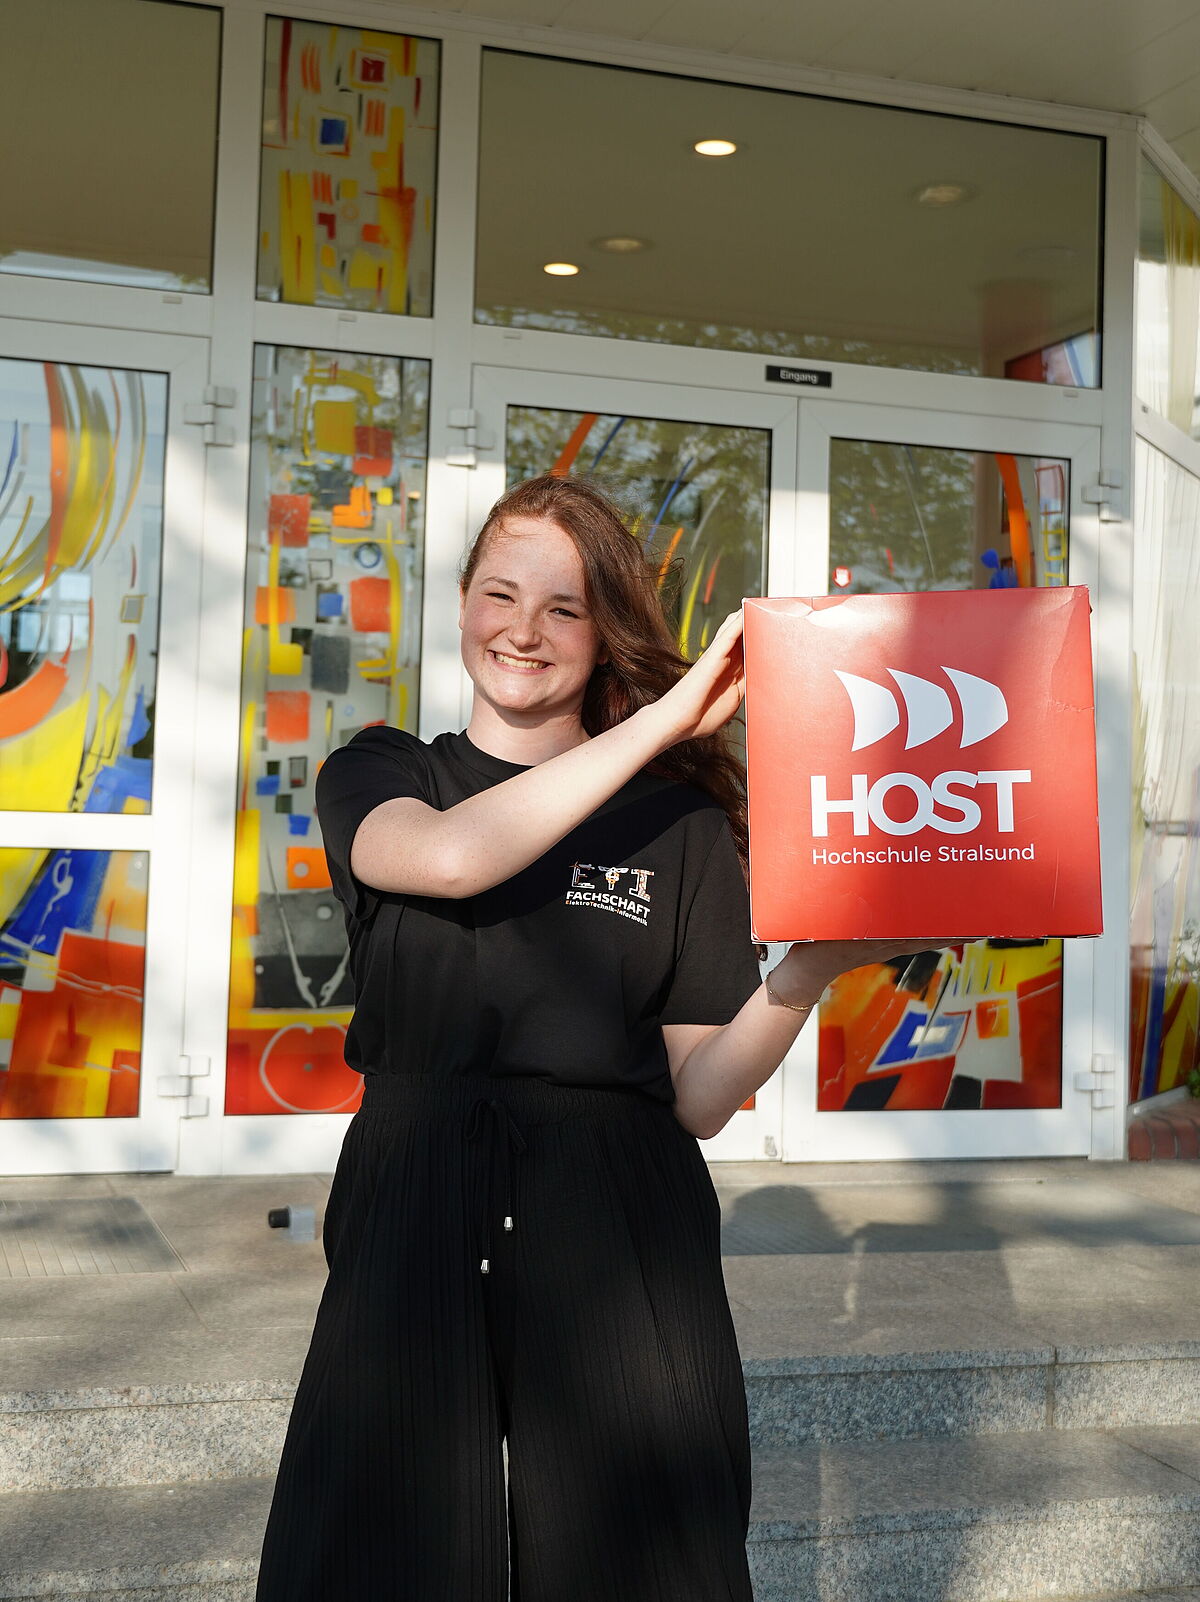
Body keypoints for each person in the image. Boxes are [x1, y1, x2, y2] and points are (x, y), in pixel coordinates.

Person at [254, 473, 960, 1602]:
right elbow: (450, 859)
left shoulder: (678, 825)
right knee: (380, 1548)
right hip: (414, 1195)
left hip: (620, 1219)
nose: (523, 631)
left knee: (642, 1558)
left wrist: (809, 972)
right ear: (464, 604)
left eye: (564, 608)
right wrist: (665, 723)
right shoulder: (385, 773)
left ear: (601, 633)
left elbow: (699, 1097)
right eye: (501, 595)